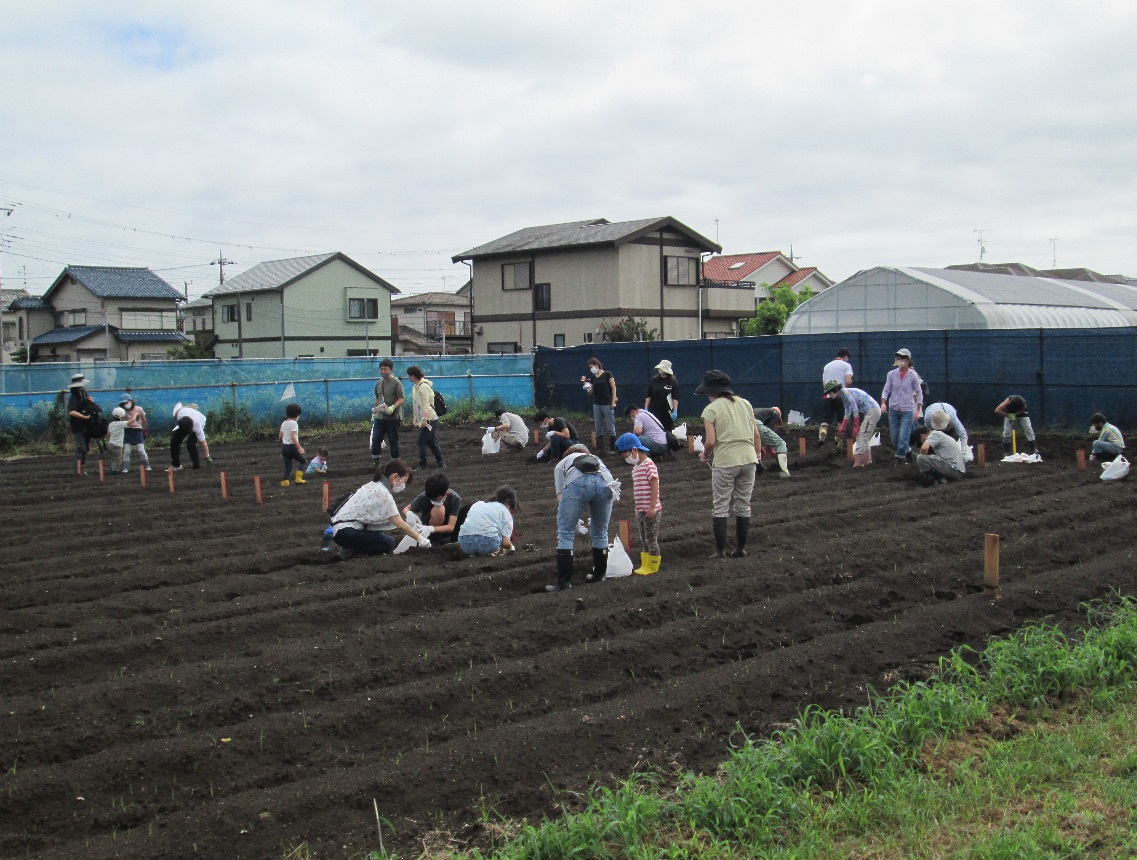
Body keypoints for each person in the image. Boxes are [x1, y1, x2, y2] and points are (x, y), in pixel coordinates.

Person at [698, 370, 760, 559]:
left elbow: (710, 441)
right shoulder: (745, 404)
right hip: (749, 459)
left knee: (721, 505)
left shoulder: (711, 409)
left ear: (712, 392)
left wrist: (706, 455)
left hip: (726, 461)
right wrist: (757, 453)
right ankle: (740, 549)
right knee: (743, 504)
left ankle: (720, 551)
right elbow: (756, 434)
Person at [548, 444, 616, 591]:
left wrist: (575, 523)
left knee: (565, 532)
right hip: (606, 482)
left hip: (578, 482)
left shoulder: (561, 464)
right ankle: (599, 575)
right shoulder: (595, 458)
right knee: (601, 531)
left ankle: (564, 582)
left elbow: (561, 498)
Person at [330, 460, 430, 559]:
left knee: (379, 534)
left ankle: (350, 548)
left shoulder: (373, 485)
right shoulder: (384, 493)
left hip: (338, 529)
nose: (403, 486)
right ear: (395, 477)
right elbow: (399, 523)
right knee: (388, 543)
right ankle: (352, 550)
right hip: (346, 531)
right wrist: (419, 538)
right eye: (403, 482)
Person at [615, 433, 663, 575]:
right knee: (643, 538)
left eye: (626, 456)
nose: (627, 459)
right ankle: (645, 564)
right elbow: (638, 491)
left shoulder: (649, 465)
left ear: (634, 450)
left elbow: (655, 485)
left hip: (651, 509)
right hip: (641, 510)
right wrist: (637, 509)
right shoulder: (635, 468)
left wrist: (652, 506)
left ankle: (653, 566)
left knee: (650, 538)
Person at [823, 381, 881, 468]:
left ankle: (858, 464)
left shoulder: (846, 393)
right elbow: (847, 410)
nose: (829, 395)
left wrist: (856, 425)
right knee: (864, 436)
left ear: (835, 390)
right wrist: (843, 426)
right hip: (871, 411)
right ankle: (867, 462)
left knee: (862, 436)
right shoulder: (844, 395)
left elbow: (854, 409)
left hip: (872, 411)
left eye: (830, 393)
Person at [881, 348, 923, 465]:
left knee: (904, 435)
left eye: (903, 358)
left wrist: (917, 410)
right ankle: (908, 452)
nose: (900, 361)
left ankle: (900, 458)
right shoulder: (891, 374)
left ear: (908, 360)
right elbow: (886, 389)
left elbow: (919, 392)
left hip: (907, 409)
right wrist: (883, 402)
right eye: (898, 358)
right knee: (895, 438)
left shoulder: (913, 375)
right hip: (894, 408)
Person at [457, 485, 518, 556]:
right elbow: (506, 542)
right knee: (498, 533)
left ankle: (474, 553)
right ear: (507, 501)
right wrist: (511, 548)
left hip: (464, 542)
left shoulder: (477, 504)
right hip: (487, 543)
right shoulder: (505, 512)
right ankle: (488, 552)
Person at [404, 473, 463, 545]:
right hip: (425, 527)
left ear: (446, 493)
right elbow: (406, 508)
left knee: (439, 509)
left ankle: (436, 539)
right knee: (438, 509)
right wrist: (409, 514)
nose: (432, 500)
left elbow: (451, 527)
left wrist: (431, 529)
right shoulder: (426, 495)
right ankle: (431, 538)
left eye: (435, 499)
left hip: (442, 530)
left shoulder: (455, 498)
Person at [407, 366, 445, 469]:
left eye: (409, 375)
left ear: (413, 376)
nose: (408, 378)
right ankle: (441, 462)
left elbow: (426, 404)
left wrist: (424, 419)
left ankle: (422, 464)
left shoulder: (422, 387)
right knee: (431, 441)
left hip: (430, 419)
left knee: (422, 441)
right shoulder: (417, 387)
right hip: (430, 418)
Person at [914, 410, 966, 484]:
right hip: (959, 470)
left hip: (952, 469)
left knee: (920, 458)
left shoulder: (935, 434)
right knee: (932, 457)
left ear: (922, 436)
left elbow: (924, 448)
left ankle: (939, 479)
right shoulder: (943, 435)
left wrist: (923, 464)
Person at [66, 374, 101, 474]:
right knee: (81, 447)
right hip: (78, 426)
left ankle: (81, 468)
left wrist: (91, 402)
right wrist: (85, 417)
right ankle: (76, 470)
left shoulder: (85, 395)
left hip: (87, 426)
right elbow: (72, 412)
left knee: (85, 448)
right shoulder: (73, 397)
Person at [371, 359, 404, 464]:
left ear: (391, 369)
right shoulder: (379, 383)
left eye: (385, 369)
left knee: (393, 440)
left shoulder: (396, 383)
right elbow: (377, 398)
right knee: (376, 439)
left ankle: (395, 463)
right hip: (380, 417)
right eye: (381, 369)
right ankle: (375, 462)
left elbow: (401, 398)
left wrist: (393, 407)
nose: (383, 371)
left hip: (392, 418)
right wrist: (374, 413)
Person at [818, 348, 854, 444]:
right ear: (846, 356)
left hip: (827, 396)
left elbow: (824, 383)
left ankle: (822, 435)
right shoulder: (847, 366)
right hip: (841, 396)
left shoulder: (827, 366)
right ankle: (838, 442)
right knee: (841, 420)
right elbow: (848, 381)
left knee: (825, 420)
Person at [583, 357, 618, 452]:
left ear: (597, 365)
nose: (591, 369)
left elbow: (613, 388)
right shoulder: (593, 378)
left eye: (592, 366)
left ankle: (613, 448)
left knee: (610, 426)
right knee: (598, 427)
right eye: (590, 368)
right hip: (597, 404)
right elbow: (591, 392)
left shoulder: (607, 374)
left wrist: (613, 400)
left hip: (607, 403)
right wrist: (585, 384)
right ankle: (601, 449)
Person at [170, 402, 210, 470]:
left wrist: (207, 457)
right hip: (185, 421)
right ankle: (176, 465)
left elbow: (203, 442)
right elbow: (179, 404)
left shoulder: (197, 427)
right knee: (174, 441)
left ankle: (196, 465)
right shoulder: (178, 415)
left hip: (200, 420)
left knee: (191, 443)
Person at [753, 407, 791, 478]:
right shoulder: (775, 414)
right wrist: (771, 450)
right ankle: (784, 472)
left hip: (743, 424)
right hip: (754, 422)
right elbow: (768, 436)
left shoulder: (760, 412)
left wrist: (759, 446)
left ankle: (757, 468)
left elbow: (759, 436)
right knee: (780, 444)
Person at [119, 393, 152, 472]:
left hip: (137, 430)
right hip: (127, 431)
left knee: (141, 450)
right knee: (127, 451)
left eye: (126, 402)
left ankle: (147, 466)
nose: (125, 404)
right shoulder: (122, 411)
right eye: (123, 403)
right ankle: (125, 467)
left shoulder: (138, 409)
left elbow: (144, 420)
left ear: (131, 401)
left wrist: (144, 429)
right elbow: (121, 422)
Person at [644, 359, 680, 432]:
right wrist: (646, 409)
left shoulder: (673, 381)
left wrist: (675, 410)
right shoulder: (654, 380)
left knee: (667, 431)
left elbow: (675, 397)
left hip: (667, 411)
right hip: (654, 410)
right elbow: (649, 395)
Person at [279, 403, 307, 486]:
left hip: (284, 448)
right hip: (292, 447)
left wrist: (283, 441)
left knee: (288, 466)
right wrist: (299, 447)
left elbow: (280, 435)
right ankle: (298, 479)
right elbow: (293, 435)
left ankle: (285, 481)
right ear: (297, 415)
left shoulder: (284, 423)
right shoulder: (294, 423)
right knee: (303, 461)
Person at [106, 407, 129, 474]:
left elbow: (108, 435)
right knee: (118, 459)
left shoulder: (111, 424)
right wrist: (136, 415)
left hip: (111, 444)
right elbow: (131, 421)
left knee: (113, 458)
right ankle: (114, 471)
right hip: (118, 445)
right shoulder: (121, 424)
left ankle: (112, 468)